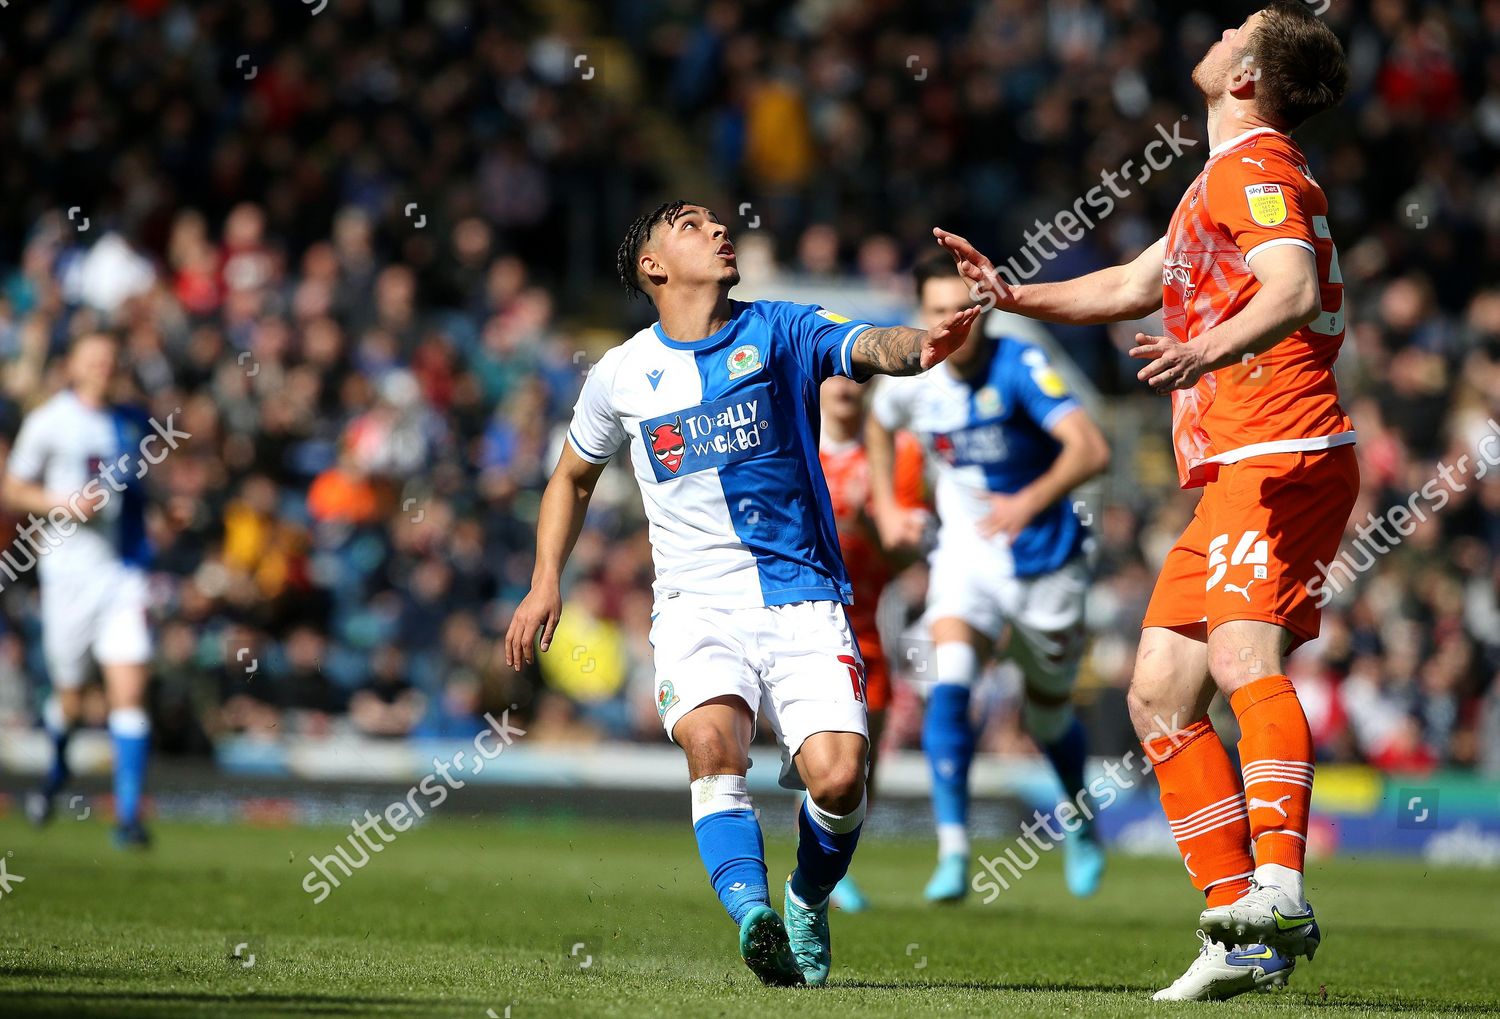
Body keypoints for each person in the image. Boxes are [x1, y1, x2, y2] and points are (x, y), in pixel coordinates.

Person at [934, 1, 1353, 1000]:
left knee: (1244, 654)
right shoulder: (1221, 176)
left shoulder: (1254, 168)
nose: (1210, 35)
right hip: (1230, 465)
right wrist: (1012, 295)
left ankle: (1282, 890)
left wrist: (1203, 349)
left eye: (1232, 30)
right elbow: (1132, 282)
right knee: (1160, 695)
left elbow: (1290, 287)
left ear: (1247, 74)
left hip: (1279, 444)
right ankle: (1236, 924)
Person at [504, 200, 977, 987]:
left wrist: (920, 346)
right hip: (695, 606)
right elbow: (572, 477)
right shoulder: (621, 373)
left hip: (801, 594)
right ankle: (754, 914)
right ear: (653, 266)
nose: (718, 229)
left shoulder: (782, 328)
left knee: (837, 776)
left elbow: (867, 342)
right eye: (691, 225)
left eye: (718, 222)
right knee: (714, 749)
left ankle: (804, 896)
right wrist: (544, 578)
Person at [868, 257, 1111, 903]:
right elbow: (878, 415)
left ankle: (1082, 822)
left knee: (1047, 714)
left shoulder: (1020, 365)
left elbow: (1092, 447)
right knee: (949, 680)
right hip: (966, 555)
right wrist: (890, 504)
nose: (952, 323)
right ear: (922, 317)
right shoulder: (914, 378)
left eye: (963, 308)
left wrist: (1028, 501)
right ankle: (953, 850)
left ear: (982, 311)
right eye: (937, 310)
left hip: (1045, 558)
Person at [7, 332, 161, 847]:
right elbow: (11, 486)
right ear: (72, 364)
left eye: (111, 360)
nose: (102, 367)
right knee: (70, 697)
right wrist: (63, 503)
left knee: (130, 691)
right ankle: (55, 773)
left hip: (122, 575)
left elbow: (140, 493)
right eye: (93, 359)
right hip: (68, 577)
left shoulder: (130, 422)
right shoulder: (51, 421)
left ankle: (127, 818)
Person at [816, 374, 926, 912]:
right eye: (834, 373)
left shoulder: (896, 455)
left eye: (859, 376)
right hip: (804, 623)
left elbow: (907, 555)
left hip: (866, 630)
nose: (845, 386)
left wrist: (870, 530)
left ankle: (836, 864)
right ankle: (812, 873)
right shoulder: (794, 441)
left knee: (863, 764)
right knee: (820, 752)